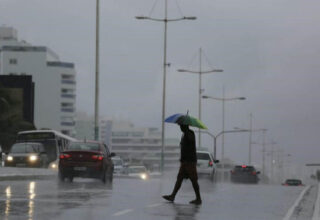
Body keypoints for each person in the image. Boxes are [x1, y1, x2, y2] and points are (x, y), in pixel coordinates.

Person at [162, 124, 202, 205]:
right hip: (184, 161)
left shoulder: (190, 133)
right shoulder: (184, 134)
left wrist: (186, 135)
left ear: (185, 126)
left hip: (190, 161)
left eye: (181, 126)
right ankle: (172, 196)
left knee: (194, 180)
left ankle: (198, 198)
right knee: (179, 179)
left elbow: (190, 141)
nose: (180, 127)